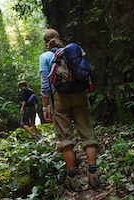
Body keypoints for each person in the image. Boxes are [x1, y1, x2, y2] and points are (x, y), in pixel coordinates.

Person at [39, 29, 100, 191]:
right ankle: (93, 175)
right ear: (59, 39)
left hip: (59, 99)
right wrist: (86, 99)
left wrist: (45, 106)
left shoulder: (45, 57)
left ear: (46, 43)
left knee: (66, 139)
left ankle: (73, 179)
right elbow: (84, 76)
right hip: (79, 95)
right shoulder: (71, 53)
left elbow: (45, 84)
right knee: (88, 135)